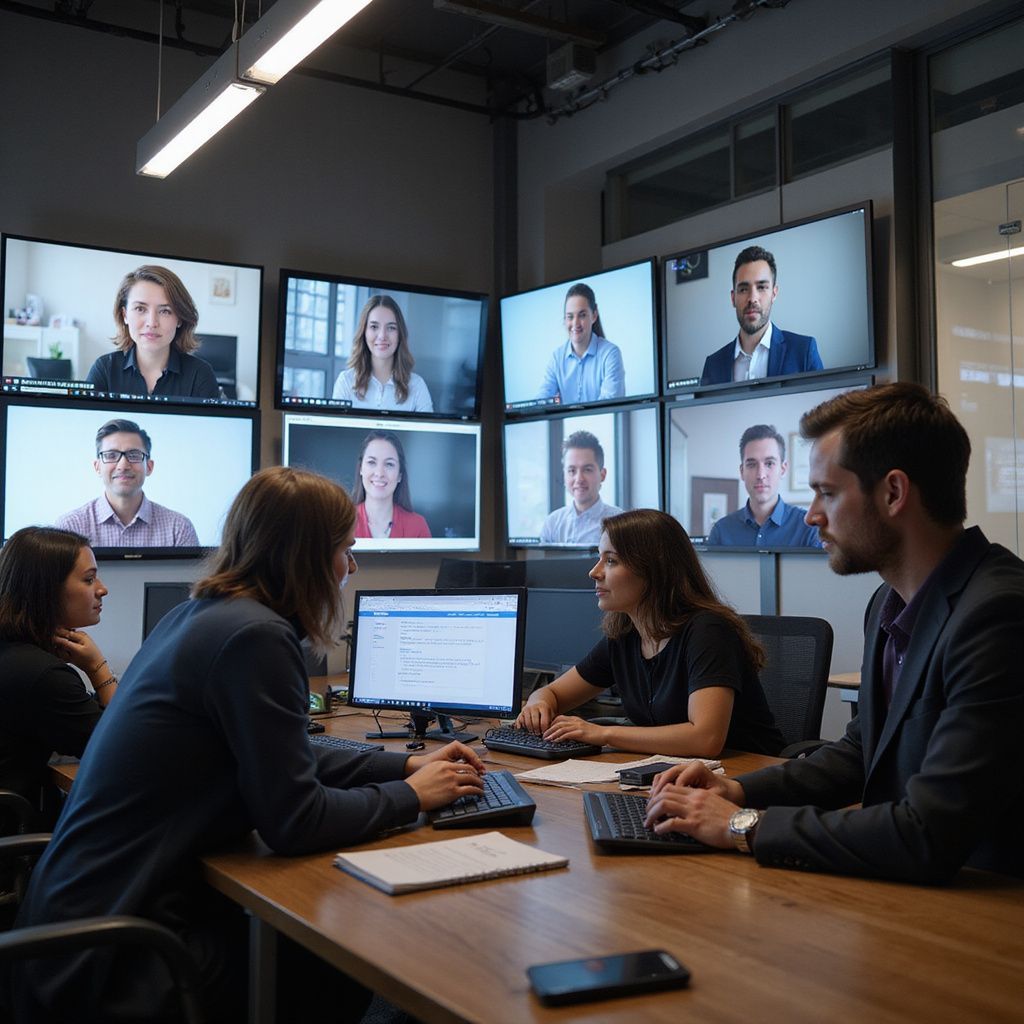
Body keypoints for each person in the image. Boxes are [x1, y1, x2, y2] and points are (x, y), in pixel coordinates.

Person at [4, 467, 487, 1022]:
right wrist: (415, 796)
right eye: (345, 550)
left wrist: (405, 764)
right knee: (347, 954)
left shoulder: (198, 614)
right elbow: (295, 822)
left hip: (76, 924)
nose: (350, 567)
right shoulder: (255, 636)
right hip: (118, 959)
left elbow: (277, 754)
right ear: (307, 555)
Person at [646, 383, 1024, 882]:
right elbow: (861, 752)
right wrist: (738, 792)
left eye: (827, 492)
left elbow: (927, 833)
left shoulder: (998, 615)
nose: (812, 515)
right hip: (904, 895)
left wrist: (744, 826)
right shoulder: (888, 604)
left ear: (893, 492)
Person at [517, 509, 784, 757]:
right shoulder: (624, 636)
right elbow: (551, 694)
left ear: (653, 569)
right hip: (674, 777)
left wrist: (603, 734)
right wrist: (537, 705)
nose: (594, 572)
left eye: (610, 561)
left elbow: (705, 738)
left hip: (748, 780)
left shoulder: (708, 631)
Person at [0, 527, 116, 828]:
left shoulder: (15, 655)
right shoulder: (42, 675)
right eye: (89, 579)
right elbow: (121, 749)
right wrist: (98, 668)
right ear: (47, 589)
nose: (102, 589)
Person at [56, 418, 199, 548]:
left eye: (134, 455)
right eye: (111, 455)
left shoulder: (179, 528)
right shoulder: (70, 527)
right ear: (97, 467)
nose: (123, 465)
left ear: (149, 467)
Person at [86, 265, 220, 400]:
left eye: (165, 311)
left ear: (180, 318)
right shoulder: (104, 370)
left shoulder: (201, 375)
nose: (152, 322)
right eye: (140, 309)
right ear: (125, 315)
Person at [700, 246, 823, 386]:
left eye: (761, 287)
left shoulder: (804, 351)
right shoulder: (713, 365)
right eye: (743, 289)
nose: (753, 298)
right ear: (733, 298)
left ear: (774, 293)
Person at [707, 424, 822, 547]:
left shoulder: (809, 529)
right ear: (742, 471)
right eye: (751, 465)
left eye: (769, 464)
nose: (761, 475)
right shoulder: (721, 532)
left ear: (782, 469)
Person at [331, 294, 433, 412]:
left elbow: (428, 431)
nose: (382, 336)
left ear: (400, 334)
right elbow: (337, 430)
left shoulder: (417, 386)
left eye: (391, 328)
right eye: (374, 327)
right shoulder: (345, 381)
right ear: (364, 332)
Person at [537, 283, 625, 404]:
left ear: (594, 315)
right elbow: (541, 402)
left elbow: (610, 405)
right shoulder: (556, 358)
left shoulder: (610, 354)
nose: (575, 323)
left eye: (582, 315)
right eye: (570, 316)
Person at [539, 430, 624, 545]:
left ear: (602, 475)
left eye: (587, 470)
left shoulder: (620, 523)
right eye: (572, 470)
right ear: (564, 475)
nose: (579, 479)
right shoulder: (552, 524)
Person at [352, 429, 431, 539]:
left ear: (400, 475)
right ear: (361, 469)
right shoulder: (341, 522)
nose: (379, 473)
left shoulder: (417, 526)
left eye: (389, 464)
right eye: (371, 462)